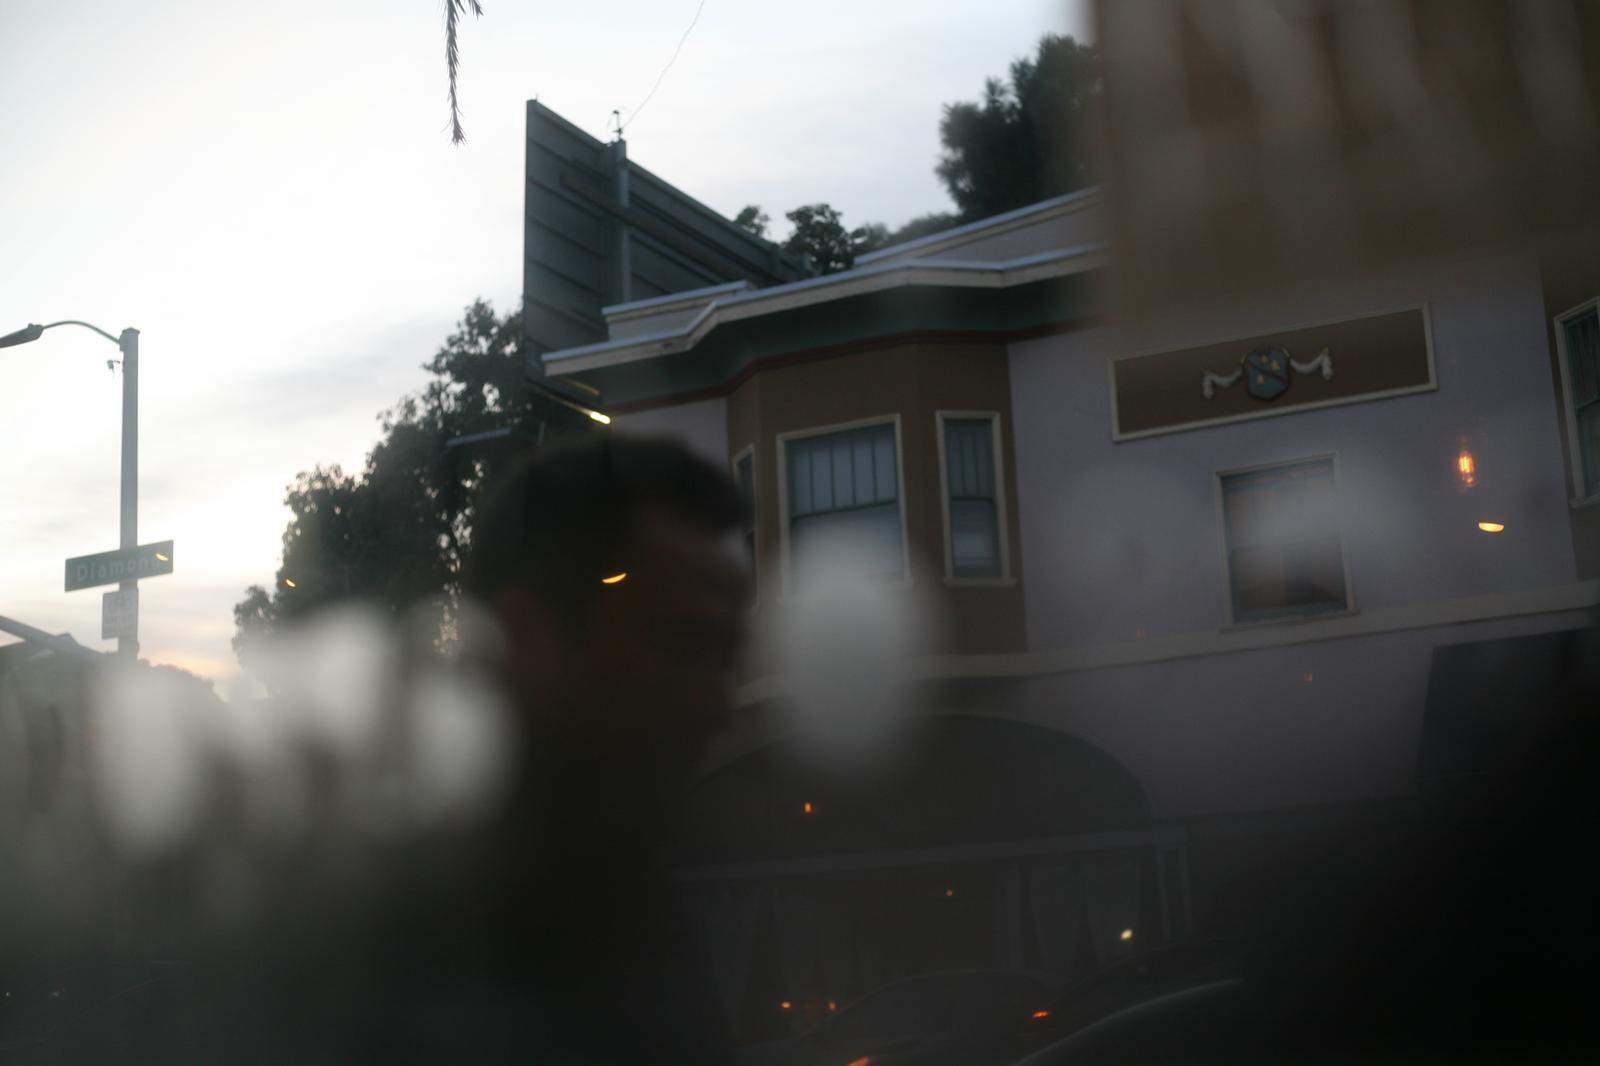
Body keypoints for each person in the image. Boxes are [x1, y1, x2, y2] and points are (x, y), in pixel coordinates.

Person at [399, 432, 752, 1064]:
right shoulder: (416, 966)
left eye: (727, 659)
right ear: (525, 636)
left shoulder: (631, 904)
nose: (722, 710)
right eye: (686, 650)